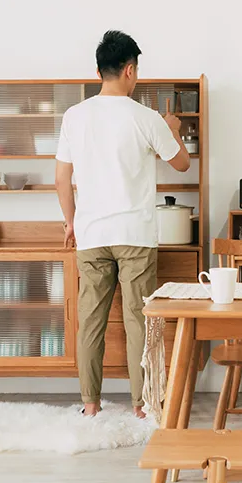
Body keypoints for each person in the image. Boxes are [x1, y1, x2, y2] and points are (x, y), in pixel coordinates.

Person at [55, 30, 190, 419]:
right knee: (139, 323)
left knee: (91, 322)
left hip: (92, 235)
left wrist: (70, 222)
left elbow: (62, 179)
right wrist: (175, 129)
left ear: (100, 70)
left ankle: (91, 405)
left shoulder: (74, 116)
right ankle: (142, 407)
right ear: (129, 70)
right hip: (135, 236)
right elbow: (181, 164)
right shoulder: (147, 118)